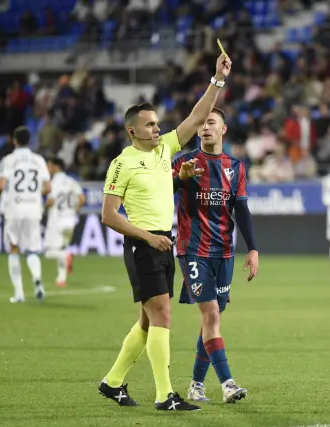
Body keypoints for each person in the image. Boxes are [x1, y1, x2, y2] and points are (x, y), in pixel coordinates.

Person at [97, 53, 232, 411]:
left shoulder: (164, 150)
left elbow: (197, 117)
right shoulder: (122, 164)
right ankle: (165, 395)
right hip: (143, 246)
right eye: (150, 125)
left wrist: (217, 79)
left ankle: (112, 382)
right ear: (132, 131)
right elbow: (108, 215)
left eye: (158, 123)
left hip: (162, 244)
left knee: (147, 321)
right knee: (162, 317)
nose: (157, 129)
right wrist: (147, 237)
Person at [172, 107, 259, 404]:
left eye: (212, 123)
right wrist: (180, 179)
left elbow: (242, 210)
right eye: (202, 123)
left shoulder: (235, 167)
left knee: (212, 319)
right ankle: (227, 384)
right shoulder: (183, 162)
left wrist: (253, 249)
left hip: (224, 253)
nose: (206, 127)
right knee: (210, 314)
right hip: (193, 250)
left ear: (223, 130)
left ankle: (196, 386)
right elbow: (163, 190)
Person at [0, 126, 51, 303]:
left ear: (14, 140)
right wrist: (33, 195)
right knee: (31, 250)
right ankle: (37, 280)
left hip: (14, 208)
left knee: (14, 248)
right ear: (29, 140)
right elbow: (48, 187)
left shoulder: (8, 160)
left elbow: (1, 185)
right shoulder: (39, 160)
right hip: (33, 209)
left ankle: (19, 294)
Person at [43, 157, 85, 287]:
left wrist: (43, 209)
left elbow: (51, 200)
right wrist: (74, 211)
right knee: (61, 248)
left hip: (57, 220)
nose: (47, 169)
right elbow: (82, 199)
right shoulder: (72, 181)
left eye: (49, 166)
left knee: (49, 252)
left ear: (56, 167)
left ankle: (66, 256)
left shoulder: (55, 182)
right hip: (70, 221)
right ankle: (61, 278)